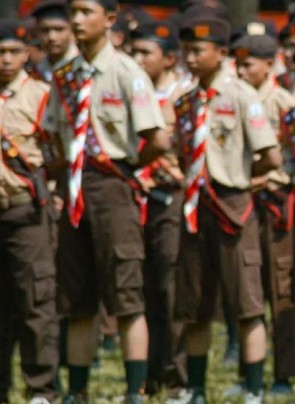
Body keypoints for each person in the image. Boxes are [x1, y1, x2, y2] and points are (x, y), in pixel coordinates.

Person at [41, 0, 171, 402]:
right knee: (77, 298)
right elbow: (55, 135)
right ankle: (77, 391)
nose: (76, 20)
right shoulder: (65, 76)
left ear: (109, 19)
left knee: (127, 292)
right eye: (72, 12)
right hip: (76, 186)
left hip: (113, 184)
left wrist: (128, 167)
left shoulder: (126, 71)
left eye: (85, 11)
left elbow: (159, 140)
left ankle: (135, 390)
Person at [172, 15, 281, 404]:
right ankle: (195, 389)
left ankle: (254, 390)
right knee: (195, 304)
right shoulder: (185, 100)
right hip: (194, 206)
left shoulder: (241, 96)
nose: (191, 57)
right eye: (186, 49)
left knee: (248, 304)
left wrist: (238, 177)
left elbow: (270, 155)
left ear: (221, 53)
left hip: (233, 204)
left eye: (199, 49)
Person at [231, 32, 295, 396]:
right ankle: (248, 373)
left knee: (281, 286)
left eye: (248, 64)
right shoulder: (234, 97)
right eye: (238, 63)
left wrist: (269, 179)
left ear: (269, 64)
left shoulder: (283, 102)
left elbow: (292, 156)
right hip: (243, 200)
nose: (241, 70)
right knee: (249, 286)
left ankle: (283, 372)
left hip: (275, 201)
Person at [128, 19, 189, 397]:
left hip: (170, 199)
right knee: (141, 287)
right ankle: (148, 372)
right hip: (133, 198)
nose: (137, 59)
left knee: (171, 287)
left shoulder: (183, 97)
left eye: (145, 53)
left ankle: (176, 373)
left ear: (168, 59)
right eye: (133, 52)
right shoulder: (131, 92)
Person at [0, 18, 58, 404]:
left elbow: (57, 151)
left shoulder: (41, 94)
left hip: (25, 212)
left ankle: (42, 389)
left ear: (26, 54)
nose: (5, 59)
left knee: (36, 301)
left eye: (12, 52)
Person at [29, 0, 79, 83]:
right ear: (37, 33)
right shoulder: (35, 73)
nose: (51, 37)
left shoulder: (82, 67)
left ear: (72, 30)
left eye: (59, 29)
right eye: (45, 30)